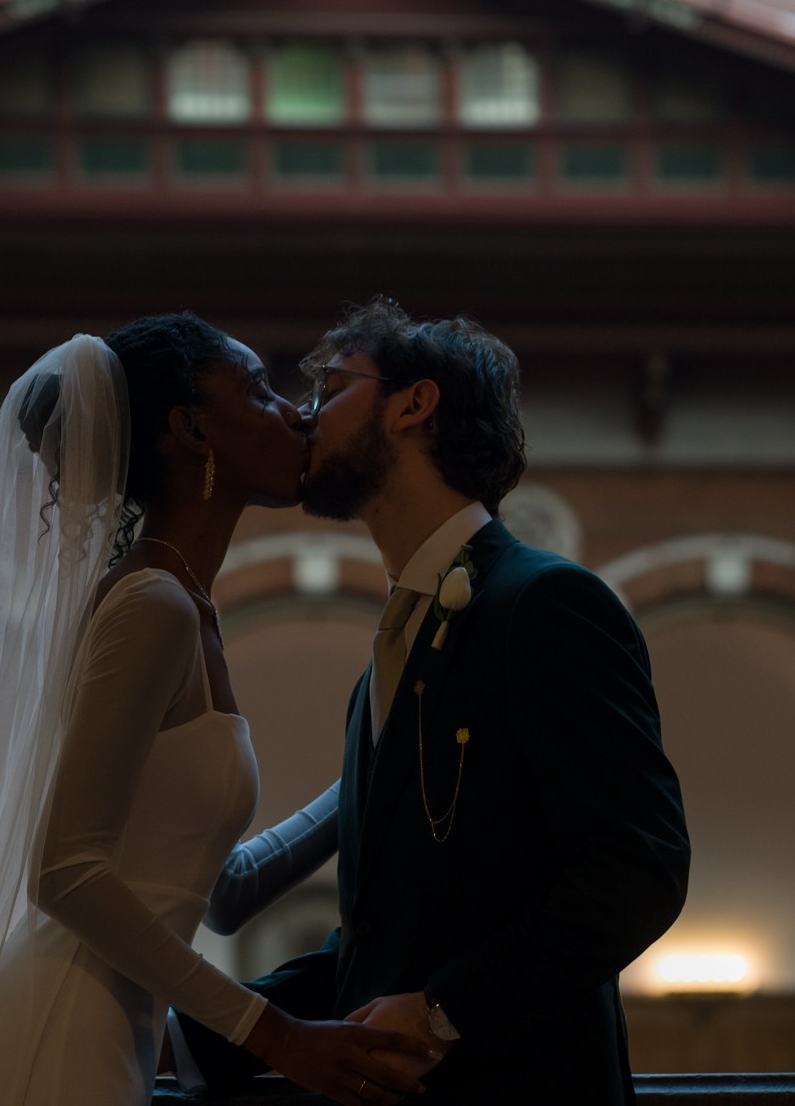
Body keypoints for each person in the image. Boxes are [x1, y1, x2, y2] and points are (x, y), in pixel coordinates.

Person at [0, 315, 437, 1106]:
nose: (296, 412)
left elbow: (223, 890)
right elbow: (65, 872)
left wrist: (372, 771)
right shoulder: (153, 603)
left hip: (113, 1030)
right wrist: (275, 1034)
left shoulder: (187, 603)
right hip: (60, 1026)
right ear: (191, 430)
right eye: (257, 390)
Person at [170, 298, 690, 1105]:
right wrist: (188, 1035)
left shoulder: (547, 603)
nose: (304, 416)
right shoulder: (386, 660)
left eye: (331, 387)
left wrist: (445, 1010)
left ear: (415, 403)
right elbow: (384, 941)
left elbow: (638, 869)